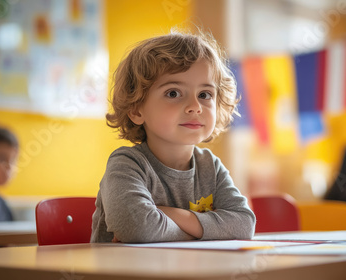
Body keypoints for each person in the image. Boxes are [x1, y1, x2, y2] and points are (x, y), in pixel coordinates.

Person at [90, 30, 256, 243]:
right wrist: (206, 231)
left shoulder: (210, 167)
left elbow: (243, 224)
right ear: (137, 110)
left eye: (204, 95)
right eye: (173, 93)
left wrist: (167, 213)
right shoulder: (126, 164)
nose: (195, 107)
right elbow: (138, 229)